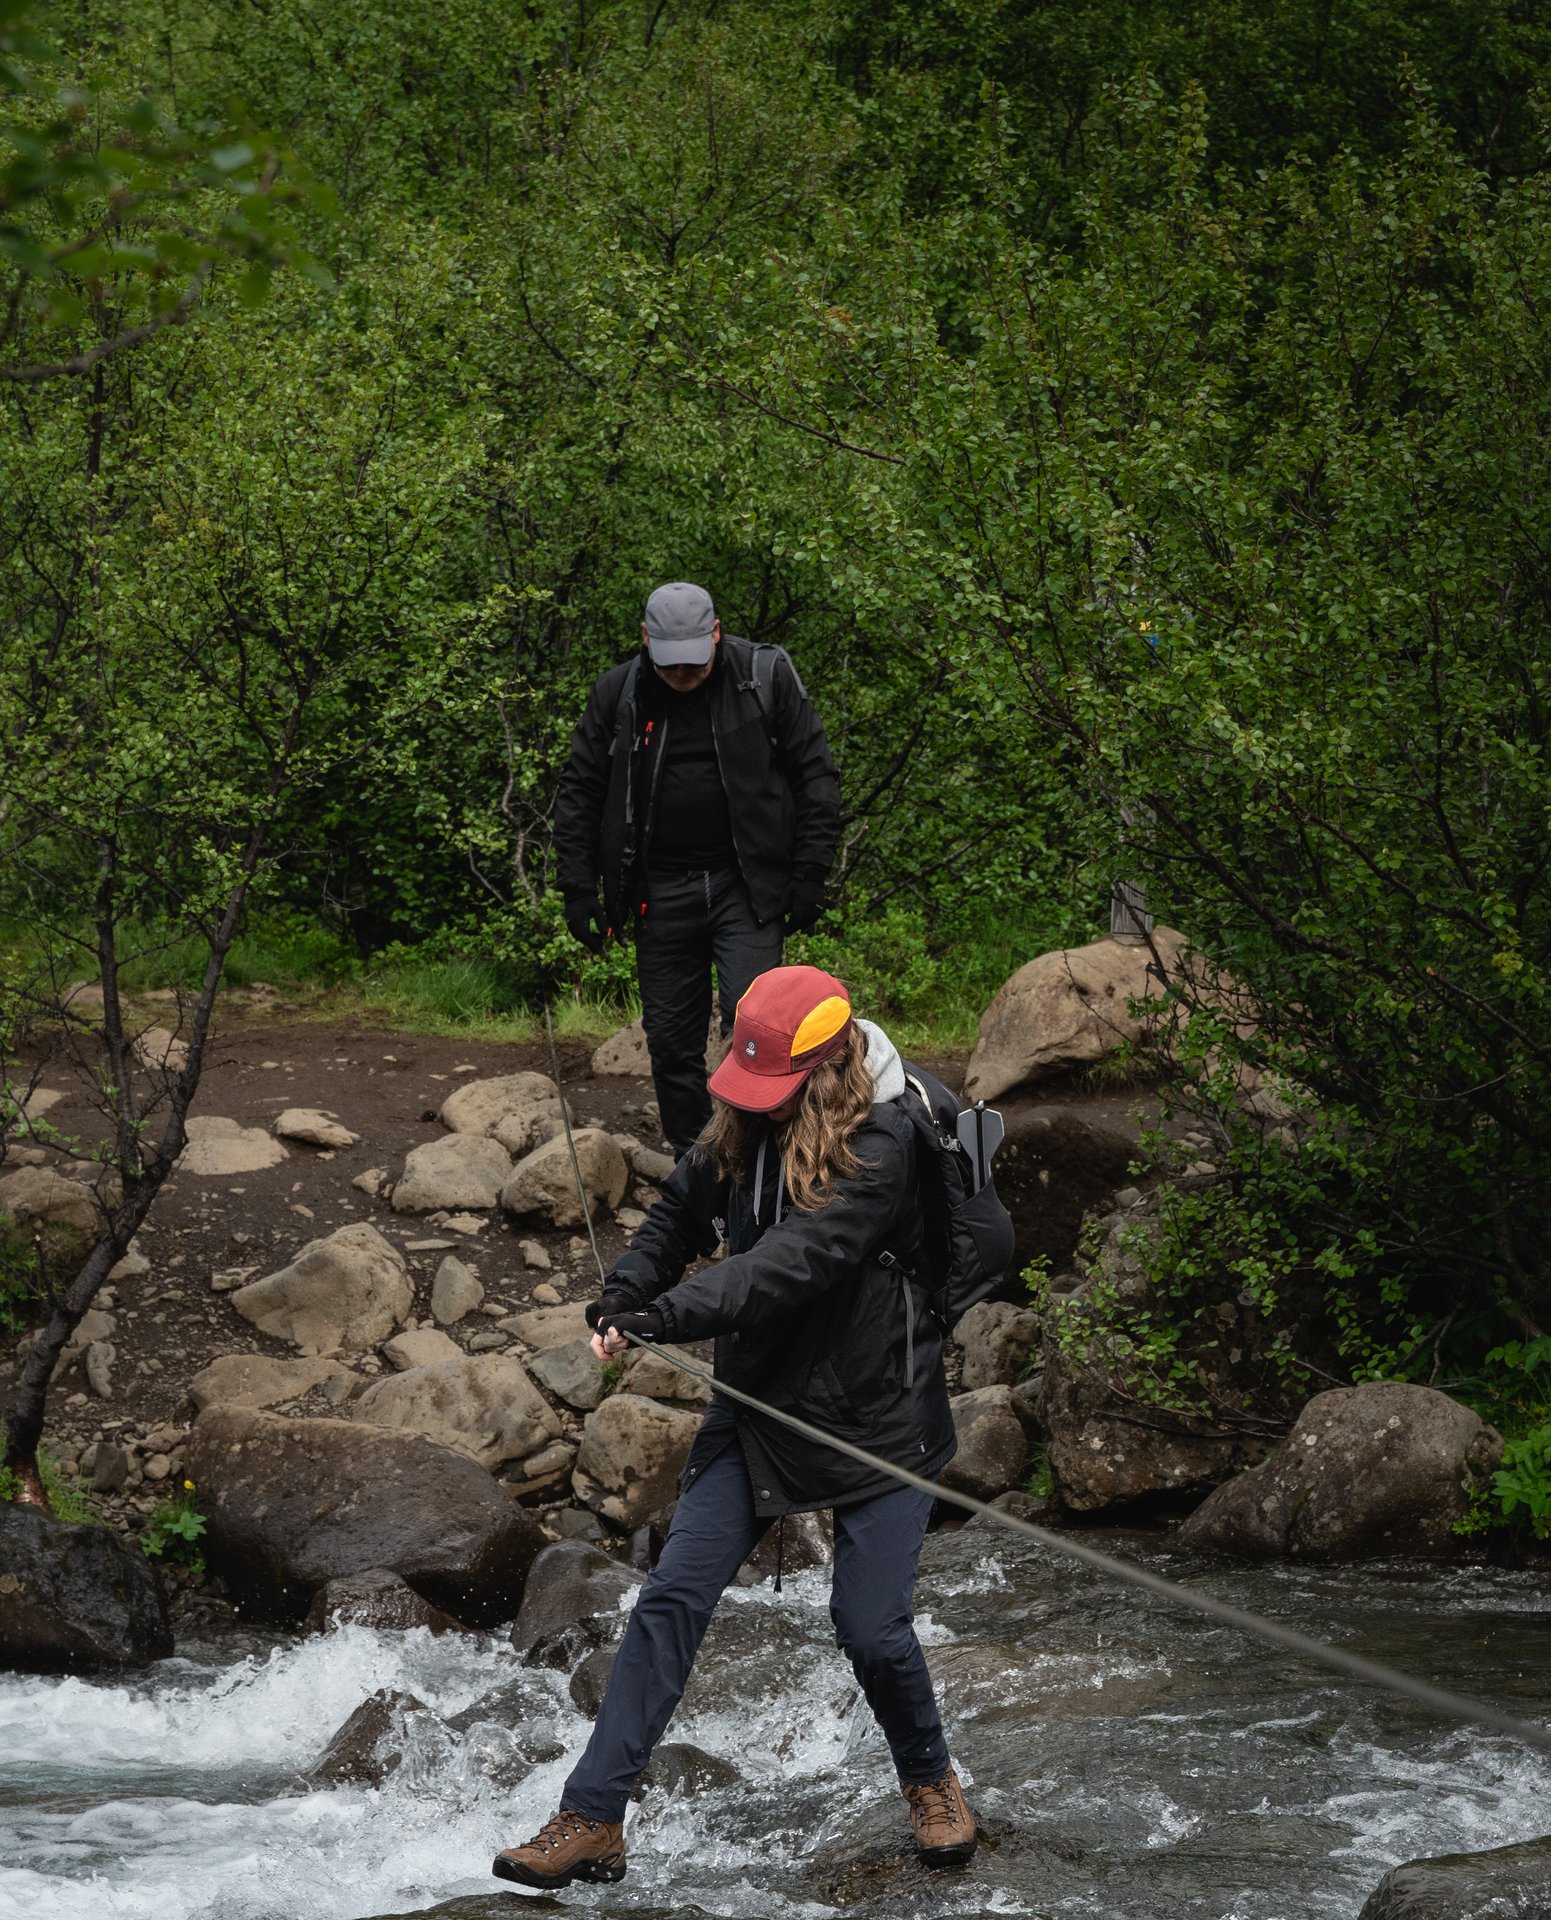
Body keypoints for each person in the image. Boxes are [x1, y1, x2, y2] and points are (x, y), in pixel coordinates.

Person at [492, 964, 977, 1892]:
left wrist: (667, 1316)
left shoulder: (886, 1145)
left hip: (878, 1419)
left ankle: (930, 1779)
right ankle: (592, 1817)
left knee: (870, 1629)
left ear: (828, 1068)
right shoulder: (742, 1126)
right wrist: (628, 1289)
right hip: (758, 1407)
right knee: (671, 1599)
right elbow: (679, 1212)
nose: (755, 1105)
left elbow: (794, 1261)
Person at [553, 581, 842, 1158]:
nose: (682, 673)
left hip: (747, 887)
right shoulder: (620, 693)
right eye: (670, 663)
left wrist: (810, 871)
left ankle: (760, 1158)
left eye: (693, 661)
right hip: (658, 891)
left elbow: (816, 774)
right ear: (646, 640)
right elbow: (580, 789)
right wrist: (579, 887)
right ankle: (695, 1162)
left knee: (755, 1027)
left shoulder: (763, 676)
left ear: (715, 634)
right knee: (671, 1040)